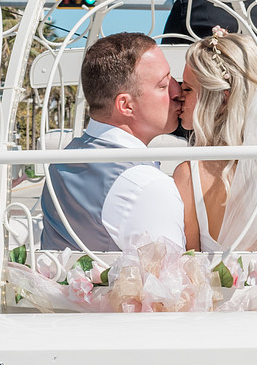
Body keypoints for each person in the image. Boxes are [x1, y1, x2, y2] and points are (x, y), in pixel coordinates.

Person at [40, 32, 184, 252]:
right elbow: (171, 281)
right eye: (163, 85)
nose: (178, 91)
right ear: (126, 105)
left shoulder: (61, 164)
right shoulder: (146, 185)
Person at [173, 29, 257, 252]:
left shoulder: (189, 174)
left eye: (187, 88)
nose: (178, 95)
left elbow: (191, 267)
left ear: (222, 99)